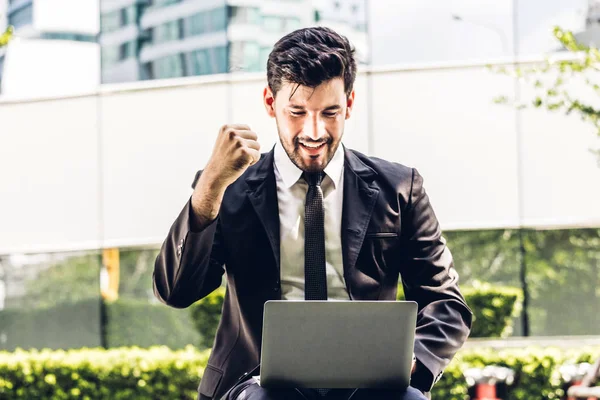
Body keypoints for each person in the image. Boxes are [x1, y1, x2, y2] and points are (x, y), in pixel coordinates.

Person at [153, 27, 472, 400]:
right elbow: (175, 291)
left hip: (369, 385)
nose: (314, 131)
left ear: (350, 104)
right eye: (297, 112)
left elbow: (446, 302)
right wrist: (208, 189)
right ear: (271, 104)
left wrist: (416, 358)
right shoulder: (229, 189)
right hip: (258, 385)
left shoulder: (399, 188)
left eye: (330, 112)